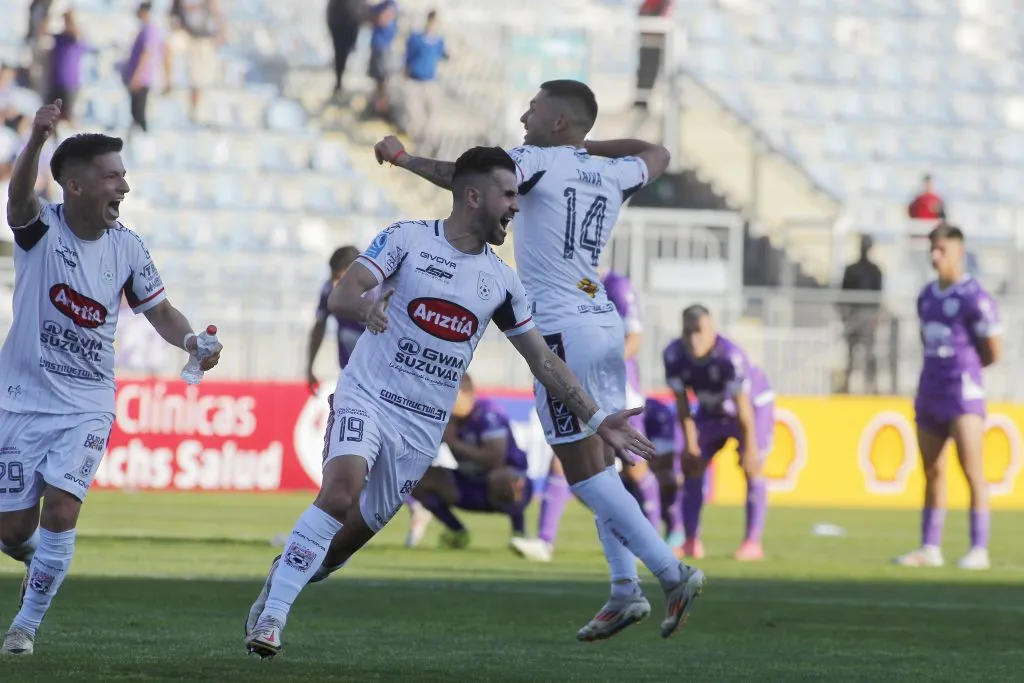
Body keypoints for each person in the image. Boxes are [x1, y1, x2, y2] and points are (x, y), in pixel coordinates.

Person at [243, 147, 656, 658]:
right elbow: (343, 295)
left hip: (421, 429)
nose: (516, 206)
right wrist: (370, 306)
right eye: (509, 195)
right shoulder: (406, 239)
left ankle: (282, 577)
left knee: (342, 543)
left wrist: (595, 418)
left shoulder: (502, 282)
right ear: (472, 196)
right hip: (368, 396)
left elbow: (544, 361)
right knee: (339, 491)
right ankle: (273, 619)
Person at [373, 79, 705, 643]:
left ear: (558, 121)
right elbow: (659, 154)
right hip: (603, 320)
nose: (524, 112)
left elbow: (467, 181)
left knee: (583, 472)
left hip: (559, 328)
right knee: (601, 463)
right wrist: (587, 146)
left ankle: (672, 573)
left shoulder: (534, 160)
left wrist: (401, 157)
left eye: (536, 106)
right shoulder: (613, 172)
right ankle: (625, 590)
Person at [0, 101, 222, 656]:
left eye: (122, 174)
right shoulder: (39, 230)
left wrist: (192, 340)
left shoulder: (128, 245)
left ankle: (24, 627)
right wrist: (35, 140)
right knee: (12, 531)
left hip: (87, 403)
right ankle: (41, 563)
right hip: (20, 398)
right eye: (113, 175)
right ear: (75, 186)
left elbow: (161, 311)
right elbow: (19, 198)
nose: (124, 184)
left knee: (62, 511)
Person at [510, 266, 662, 563]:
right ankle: (545, 541)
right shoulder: (571, 280)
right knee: (564, 456)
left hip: (617, 386)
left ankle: (654, 538)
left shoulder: (617, 285)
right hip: (581, 385)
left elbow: (634, 339)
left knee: (634, 464)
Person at [894, 224, 1001, 571]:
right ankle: (930, 547)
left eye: (941, 249)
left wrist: (966, 369)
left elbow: (993, 351)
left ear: (958, 251)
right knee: (932, 470)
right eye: (932, 249)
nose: (935, 256)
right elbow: (927, 341)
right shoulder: (926, 296)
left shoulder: (975, 297)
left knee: (972, 470)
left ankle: (978, 549)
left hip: (963, 392)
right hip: (930, 389)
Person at [663, 305, 774, 562]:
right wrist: (690, 445)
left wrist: (750, 447)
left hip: (751, 408)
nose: (693, 339)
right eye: (687, 332)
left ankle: (752, 543)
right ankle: (691, 541)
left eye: (699, 331)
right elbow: (682, 406)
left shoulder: (729, 356)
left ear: (712, 329)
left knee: (751, 466)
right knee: (691, 464)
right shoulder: (673, 355)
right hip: (711, 410)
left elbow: (744, 409)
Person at [405, 373, 532, 549]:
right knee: (416, 478)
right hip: (470, 482)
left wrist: (454, 443)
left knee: (501, 477)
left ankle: (519, 533)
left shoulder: (489, 414)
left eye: (451, 396)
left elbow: (494, 459)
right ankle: (457, 531)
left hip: (506, 484)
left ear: (468, 393)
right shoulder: (447, 417)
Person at [305, 245, 364, 393]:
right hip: (348, 376)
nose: (334, 284)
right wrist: (310, 366)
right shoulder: (329, 291)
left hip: (378, 378)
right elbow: (319, 327)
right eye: (333, 277)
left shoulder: (379, 293)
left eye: (339, 278)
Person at [839, 234, 884, 394]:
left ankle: (872, 386)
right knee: (850, 354)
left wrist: (875, 316)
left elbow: (878, 295)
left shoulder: (875, 270)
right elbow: (843, 293)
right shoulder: (851, 270)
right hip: (854, 316)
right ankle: (846, 386)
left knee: (870, 354)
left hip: (868, 316)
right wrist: (845, 314)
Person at [644, 396, 685, 546]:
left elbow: (665, 458)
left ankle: (676, 528)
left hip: (662, 442)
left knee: (663, 478)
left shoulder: (657, 413)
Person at [121, 3, 163, 135]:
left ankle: (143, 146)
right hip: (140, 78)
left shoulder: (149, 29)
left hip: (141, 79)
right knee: (135, 114)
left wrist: (137, 76)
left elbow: (147, 53)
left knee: (139, 116)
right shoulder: (145, 29)